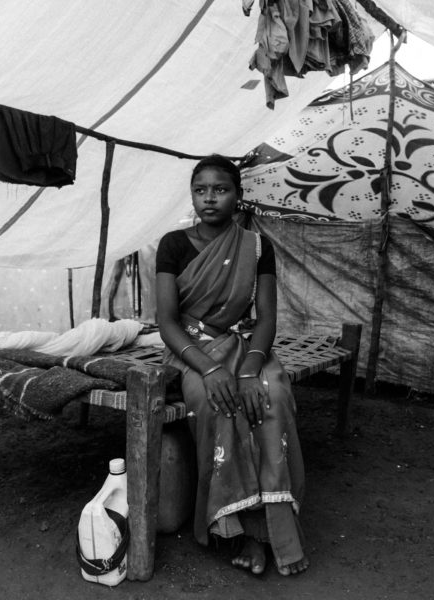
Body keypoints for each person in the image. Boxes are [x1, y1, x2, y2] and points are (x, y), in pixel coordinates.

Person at [155, 155, 308, 576]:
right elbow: (167, 321)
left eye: (220, 189)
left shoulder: (256, 246)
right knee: (216, 404)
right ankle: (234, 530)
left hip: (244, 349)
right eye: (200, 189)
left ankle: (268, 532)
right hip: (191, 350)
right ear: (192, 195)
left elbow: (267, 318)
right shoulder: (173, 244)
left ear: (238, 196)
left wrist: (247, 369)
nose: (209, 198)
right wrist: (207, 368)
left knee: (271, 395)